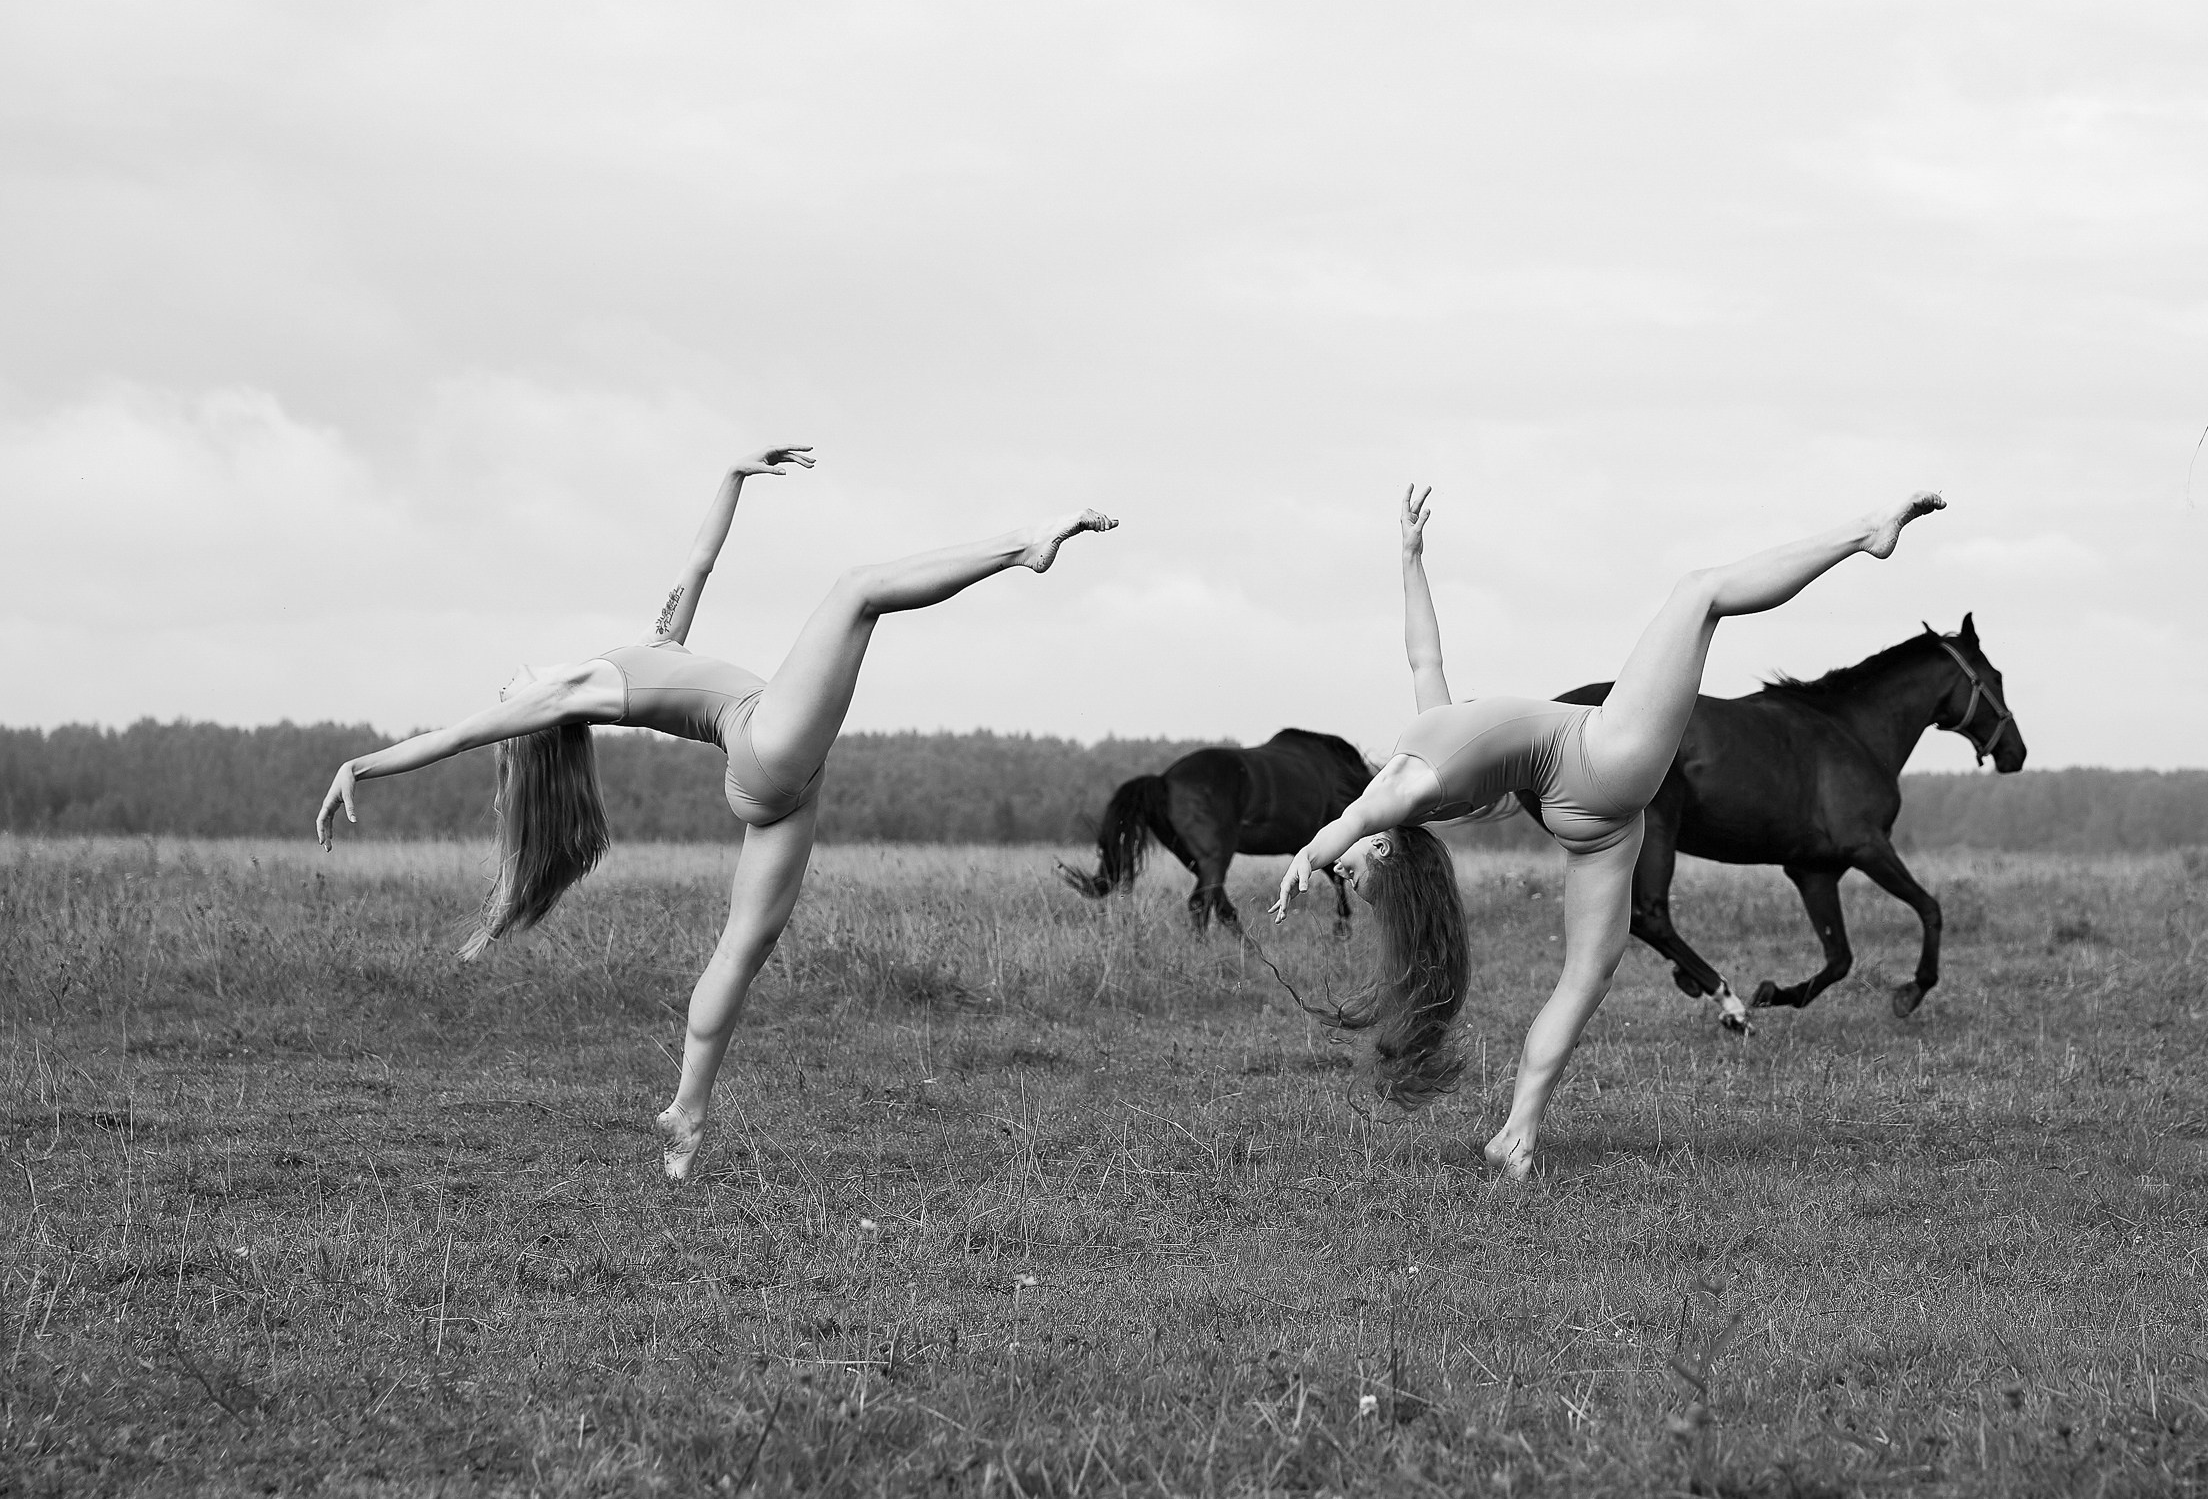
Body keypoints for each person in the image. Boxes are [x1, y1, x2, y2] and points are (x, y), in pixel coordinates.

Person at [315, 446, 1115, 1179]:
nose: (511, 683)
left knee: (742, 948)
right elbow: (460, 735)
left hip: (780, 779)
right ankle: (1025, 544)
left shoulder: (642, 647)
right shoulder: (573, 693)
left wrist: (732, 477)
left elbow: (698, 562)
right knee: (857, 590)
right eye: (510, 695)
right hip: (766, 742)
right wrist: (362, 764)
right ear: (533, 708)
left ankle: (687, 1114)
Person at [1271, 484, 1942, 1180]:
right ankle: (1865, 535)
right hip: (1601, 760)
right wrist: (1313, 852)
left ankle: (1518, 1133)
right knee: (1698, 592)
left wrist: (1410, 558)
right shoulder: (1413, 788)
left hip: (1589, 816)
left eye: (1341, 872)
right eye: (1349, 873)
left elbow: (1423, 658)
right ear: (1382, 845)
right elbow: (1362, 815)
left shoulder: (1423, 752)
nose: (1341, 871)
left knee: (1586, 977)